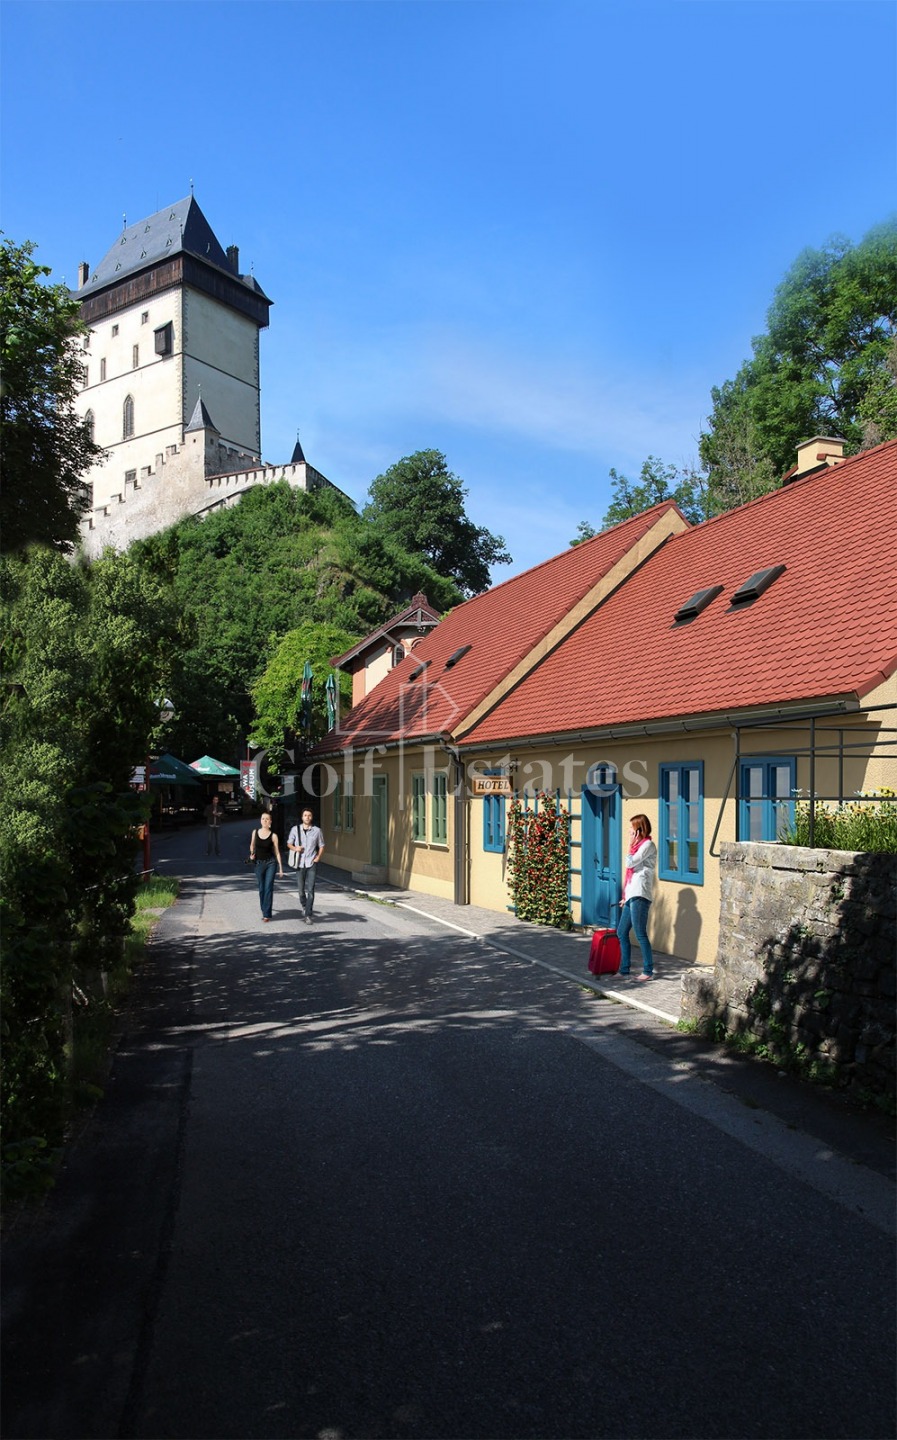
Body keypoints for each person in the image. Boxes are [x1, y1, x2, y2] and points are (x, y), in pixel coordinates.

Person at [617, 813, 657, 980]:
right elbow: (630, 873)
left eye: (632, 830)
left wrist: (629, 844)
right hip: (632, 894)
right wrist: (625, 896)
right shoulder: (638, 846)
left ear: (640, 830)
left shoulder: (648, 845)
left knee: (640, 932)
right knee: (621, 932)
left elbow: (630, 863)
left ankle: (648, 970)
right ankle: (624, 969)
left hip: (640, 893)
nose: (630, 832)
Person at [288, 808, 325, 923]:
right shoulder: (295, 829)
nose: (307, 817)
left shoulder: (317, 831)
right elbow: (289, 843)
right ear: (302, 817)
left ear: (311, 817)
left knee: (311, 889)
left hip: (311, 863)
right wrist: (295, 848)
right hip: (299, 863)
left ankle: (308, 915)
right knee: (300, 890)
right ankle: (304, 906)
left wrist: (318, 857)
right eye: (305, 815)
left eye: (309, 815)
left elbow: (322, 845)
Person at [249, 809, 283, 922]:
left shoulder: (274, 836)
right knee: (261, 888)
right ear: (260, 821)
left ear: (270, 822)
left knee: (268, 888)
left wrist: (281, 868)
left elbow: (277, 851)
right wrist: (252, 854)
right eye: (263, 819)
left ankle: (266, 914)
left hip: (270, 864)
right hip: (259, 863)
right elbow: (252, 845)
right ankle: (264, 909)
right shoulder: (255, 832)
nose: (265, 821)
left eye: (267, 819)